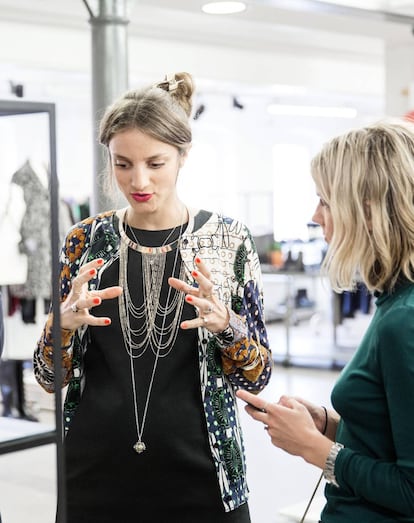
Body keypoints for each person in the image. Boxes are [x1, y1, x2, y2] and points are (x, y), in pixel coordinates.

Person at [33, 72, 272, 523]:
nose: (138, 179)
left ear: (183, 157)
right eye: (122, 164)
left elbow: (258, 378)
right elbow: (50, 378)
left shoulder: (228, 240)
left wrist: (226, 327)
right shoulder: (85, 240)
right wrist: (59, 327)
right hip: (94, 475)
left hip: (205, 476)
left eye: (155, 163)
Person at [237, 119, 414, 522]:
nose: (315, 216)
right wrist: (326, 423)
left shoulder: (404, 321)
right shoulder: (392, 302)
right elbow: (383, 439)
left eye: (325, 201)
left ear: (366, 210)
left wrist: (312, 448)